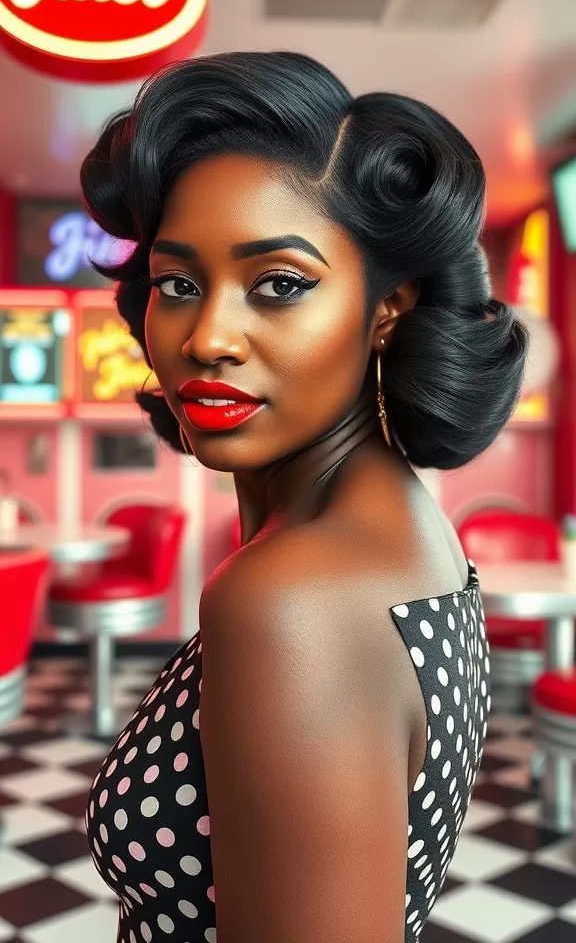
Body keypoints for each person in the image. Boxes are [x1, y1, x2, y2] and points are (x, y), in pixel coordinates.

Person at [81, 51, 527, 943]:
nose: (208, 337)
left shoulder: (292, 600)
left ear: (387, 307)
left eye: (279, 285)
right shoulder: (402, 528)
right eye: (178, 284)